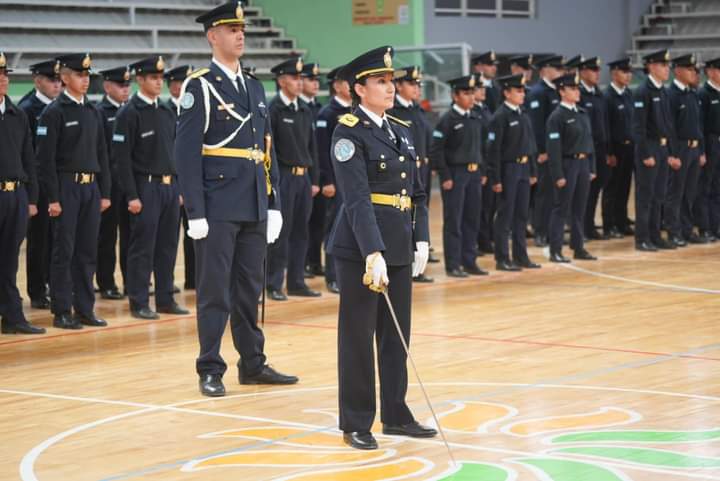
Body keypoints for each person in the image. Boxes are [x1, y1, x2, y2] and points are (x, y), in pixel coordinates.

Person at [175, 1, 298, 397]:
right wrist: (196, 210)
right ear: (213, 36)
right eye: (231, 30)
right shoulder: (200, 86)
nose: (240, 35)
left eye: (241, 29)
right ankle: (210, 367)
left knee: (249, 289)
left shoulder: (253, 86)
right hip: (218, 204)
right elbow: (186, 154)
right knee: (215, 291)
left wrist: (273, 202)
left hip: (254, 202)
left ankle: (253, 362)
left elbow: (267, 150)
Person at [326, 45, 436, 450]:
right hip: (361, 247)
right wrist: (372, 251)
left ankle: (396, 414)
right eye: (380, 81)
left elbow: (417, 193)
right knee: (358, 336)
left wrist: (421, 236)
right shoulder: (348, 131)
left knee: (396, 335)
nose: (390, 88)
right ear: (359, 88)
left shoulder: (401, 130)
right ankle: (356, 421)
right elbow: (356, 198)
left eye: (391, 81)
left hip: (400, 243)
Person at [36, 53, 112, 330]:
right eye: (80, 75)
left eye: (87, 75)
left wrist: (105, 192)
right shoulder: (54, 112)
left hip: (90, 187)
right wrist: (53, 198)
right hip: (66, 187)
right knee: (64, 252)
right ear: (65, 78)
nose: (85, 80)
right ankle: (61, 310)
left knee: (87, 252)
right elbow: (44, 160)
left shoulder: (93, 111)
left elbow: (102, 154)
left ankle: (85, 308)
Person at [113, 56, 190, 320]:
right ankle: (139, 301)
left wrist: (180, 187)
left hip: (170, 187)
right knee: (143, 247)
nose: (159, 82)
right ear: (140, 80)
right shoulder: (129, 113)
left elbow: (176, 153)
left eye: (160, 78)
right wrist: (131, 195)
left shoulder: (167, 111)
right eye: (153, 78)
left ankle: (166, 298)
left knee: (168, 246)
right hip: (145, 188)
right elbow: (121, 159)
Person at [265, 57, 321, 301]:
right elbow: (270, 150)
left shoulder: (305, 110)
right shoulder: (274, 110)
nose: (299, 82)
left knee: (301, 232)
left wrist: (314, 179)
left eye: (300, 78)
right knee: (281, 232)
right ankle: (273, 283)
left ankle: (297, 281)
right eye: (294, 78)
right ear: (281, 81)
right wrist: (272, 181)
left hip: (303, 178)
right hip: (284, 178)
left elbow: (312, 148)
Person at [0, 52, 45, 335]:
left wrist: (32, 198)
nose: (3, 79)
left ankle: (12, 317)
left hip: (15, 195)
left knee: (9, 259)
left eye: (5, 74)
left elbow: (29, 158)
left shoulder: (17, 115)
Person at [431, 74, 488, 277]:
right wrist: (445, 176)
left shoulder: (475, 117)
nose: (471, 97)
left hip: (474, 173)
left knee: (472, 219)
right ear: (455, 96)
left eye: (472, 92)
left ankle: (469, 261)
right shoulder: (447, 120)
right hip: (455, 175)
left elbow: (482, 147)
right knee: (454, 220)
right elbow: (436, 149)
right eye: (466, 93)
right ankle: (453, 264)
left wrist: (482, 171)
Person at [18, 59, 62, 311]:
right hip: (38, 185)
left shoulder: (62, 106)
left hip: (59, 183)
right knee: (39, 240)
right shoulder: (27, 109)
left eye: (59, 80)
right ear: (37, 80)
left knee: (58, 239)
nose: (57, 85)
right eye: (51, 80)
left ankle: (54, 285)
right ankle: (37, 290)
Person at [487, 74, 541, 271]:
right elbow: (493, 151)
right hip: (508, 169)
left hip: (524, 168)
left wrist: (533, 170)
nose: (522, 94)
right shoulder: (500, 117)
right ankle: (502, 258)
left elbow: (530, 145)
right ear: (507, 93)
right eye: (518, 91)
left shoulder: (523, 114)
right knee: (505, 215)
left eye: (523, 91)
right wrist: (495, 178)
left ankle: (521, 256)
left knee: (521, 215)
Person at [387, 65, 435, 283]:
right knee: (405, 216)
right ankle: (406, 262)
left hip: (421, 169)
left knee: (420, 214)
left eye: (418, 84)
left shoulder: (418, 110)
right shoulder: (394, 112)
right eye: (411, 84)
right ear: (398, 86)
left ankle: (419, 255)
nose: (417, 88)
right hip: (404, 171)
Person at [546, 73, 597, 262]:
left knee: (580, 208)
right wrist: (558, 174)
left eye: (577, 89)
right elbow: (553, 149)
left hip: (583, 164)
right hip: (567, 164)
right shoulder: (557, 117)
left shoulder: (582, 113)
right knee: (561, 208)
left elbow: (589, 142)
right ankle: (555, 250)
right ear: (562, 91)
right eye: (572, 89)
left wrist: (592, 167)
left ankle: (578, 246)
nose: (577, 92)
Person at [632, 49, 680, 251]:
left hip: (662, 148)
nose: (667, 69)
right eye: (663, 65)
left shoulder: (663, 91)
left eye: (668, 65)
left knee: (659, 195)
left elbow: (669, 125)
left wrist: (671, 152)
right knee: (646, 197)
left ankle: (655, 236)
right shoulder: (643, 91)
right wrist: (645, 154)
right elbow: (638, 127)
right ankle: (642, 238)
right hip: (649, 147)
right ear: (651, 66)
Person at [315, 65, 352, 294]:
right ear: (337, 86)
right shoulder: (327, 113)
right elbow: (321, 150)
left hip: (353, 179)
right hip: (336, 181)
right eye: (347, 82)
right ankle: (332, 276)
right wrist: (327, 180)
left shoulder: (356, 110)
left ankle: (349, 274)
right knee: (334, 228)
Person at [95, 65, 131, 300]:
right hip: (108, 184)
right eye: (120, 85)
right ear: (107, 86)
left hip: (129, 184)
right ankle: (106, 282)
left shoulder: (132, 110)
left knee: (131, 235)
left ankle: (132, 282)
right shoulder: (100, 112)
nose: (125, 89)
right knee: (107, 237)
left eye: (127, 85)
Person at [666, 54, 706, 245]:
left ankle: (687, 229)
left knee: (690, 193)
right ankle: (674, 231)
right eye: (689, 69)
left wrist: (702, 150)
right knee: (676, 193)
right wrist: (672, 154)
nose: (693, 73)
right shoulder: (671, 95)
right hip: (680, 149)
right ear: (678, 71)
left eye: (694, 70)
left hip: (694, 149)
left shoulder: (692, 94)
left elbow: (699, 125)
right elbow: (669, 127)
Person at [164, 65, 197, 289]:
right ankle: (166, 283)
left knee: (195, 233)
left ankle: (193, 279)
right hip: (173, 183)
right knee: (169, 238)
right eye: (183, 82)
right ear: (173, 86)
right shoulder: (166, 111)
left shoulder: (194, 110)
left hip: (194, 183)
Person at [527, 55, 565, 247]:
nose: (561, 72)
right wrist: (541, 150)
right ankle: (540, 231)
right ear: (544, 70)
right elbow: (536, 126)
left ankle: (553, 232)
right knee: (544, 194)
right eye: (557, 69)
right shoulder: (537, 92)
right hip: (545, 153)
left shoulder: (558, 91)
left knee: (558, 194)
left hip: (559, 151)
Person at [578, 57, 612, 240]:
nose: (597, 73)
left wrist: (608, 150)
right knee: (583, 191)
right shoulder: (579, 93)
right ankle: (581, 228)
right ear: (583, 72)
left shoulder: (599, 95)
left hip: (600, 149)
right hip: (586, 150)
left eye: (598, 70)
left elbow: (605, 123)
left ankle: (589, 226)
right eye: (593, 70)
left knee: (595, 190)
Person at [603, 57, 635, 238]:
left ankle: (622, 221)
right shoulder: (608, 96)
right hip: (615, 149)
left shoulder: (628, 94)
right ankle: (609, 224)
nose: (628, 75)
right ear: (614, 73)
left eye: (629, 72)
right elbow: (606, 126)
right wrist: (609, 152)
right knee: (612, 188)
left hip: (629, 148)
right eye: (624, 72)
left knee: (625, 187)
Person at [301, 62, 327, 279]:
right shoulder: (299, 108)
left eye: (317, 80)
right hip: (301, 174)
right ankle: (301, 265)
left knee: (319, 221)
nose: (315, 84)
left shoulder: (319, 109)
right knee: (302, 224)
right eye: (311, 79)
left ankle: (315, 262)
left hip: (317, 173)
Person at [695, 57, 720, 240]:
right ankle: (705, 227)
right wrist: (701, 150)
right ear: (710, 72)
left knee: (718, 187)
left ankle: (716, 225)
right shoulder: (703, 94)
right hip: (710, 143)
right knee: (705, 186)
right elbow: (700, 125)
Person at [473, 75, 496, 256]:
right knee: (477, 208)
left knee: (489, 205)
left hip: (489, 162)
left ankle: (486, 239)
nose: (483, 91)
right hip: (479, 164)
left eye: (483, 88)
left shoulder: (485, 109)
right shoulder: (472, 112)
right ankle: (478, 241)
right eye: (478, 88)